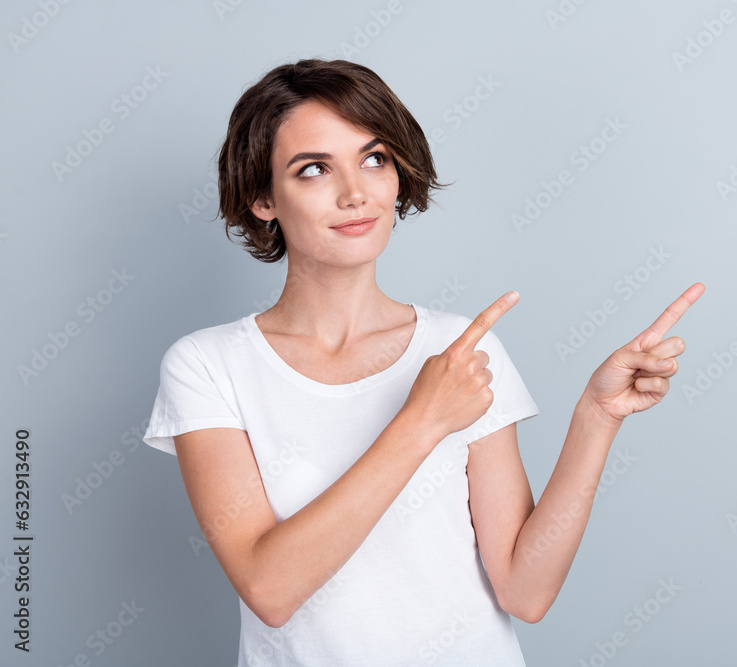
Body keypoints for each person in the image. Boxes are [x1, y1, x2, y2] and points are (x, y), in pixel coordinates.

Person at [142, 57, 704, 666]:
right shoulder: (208, 365)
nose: (356, 193)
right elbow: (269, 589)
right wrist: (423, 420)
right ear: (261, 199)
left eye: (374, 159)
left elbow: (525, 590)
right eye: (313, 170)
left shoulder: (461, 348)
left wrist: (597, 417)